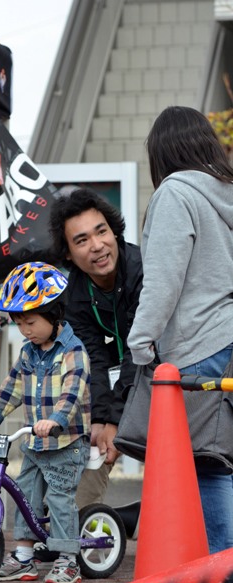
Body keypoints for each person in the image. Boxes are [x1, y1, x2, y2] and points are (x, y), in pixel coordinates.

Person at [127, 105, 233, 553]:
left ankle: (216, 577)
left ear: (162, 153)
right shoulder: (226, 191)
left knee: (204, 464)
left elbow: (164, 279)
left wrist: (140, 337)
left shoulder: (176, 193)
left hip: (198, 344)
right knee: (226, 460)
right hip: (229, 338)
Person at [0, 261, 91, 583]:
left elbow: (72, 393)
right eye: (19, 324)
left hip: (65, 443)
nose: (25, 330)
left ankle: (67, 558)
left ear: (54, 313)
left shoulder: (73, 352)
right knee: (25, 494)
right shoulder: (28, 353)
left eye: (31, 322)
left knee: (60, 498)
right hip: (35, 443)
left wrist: (56, 420)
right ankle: (23, 556)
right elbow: (11, 389)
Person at [48, 188, 143, 509]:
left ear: (114, 231)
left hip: (164, 365)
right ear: (68, 255)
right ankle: (75, 521)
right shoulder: (74, 290)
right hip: (123, 367)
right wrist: (100, 420)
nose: (97, 245)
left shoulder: (143, 270)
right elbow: (92, 358)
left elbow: (140, 348)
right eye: (82, 240)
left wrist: (115, 420)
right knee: (88, 427)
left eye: (101, 231)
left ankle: (158, 517)